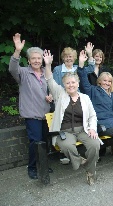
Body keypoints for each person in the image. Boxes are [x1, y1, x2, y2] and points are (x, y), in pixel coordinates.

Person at [44, 50, 100, 185]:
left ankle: (90, 172)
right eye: (68, 83)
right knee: (68, 146)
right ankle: (82, 162)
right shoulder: (59, 94)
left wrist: (92, 129)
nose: (71, 85)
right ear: (64, 85)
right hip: (66, 131)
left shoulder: (85, 98)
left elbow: (92, 116)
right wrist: (47, 65)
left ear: (78, 84)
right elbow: (50, 80)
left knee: (95, 144)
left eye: (73, 82)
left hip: (82, 129)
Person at [8, 33, 53, 179]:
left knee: (45, 141)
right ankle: (32, 167)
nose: (36, 60)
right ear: (28, 60)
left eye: (39, 58)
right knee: (35, 141)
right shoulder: (23, 73)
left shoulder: (46, 74)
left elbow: (51, 88)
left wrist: (50, 96)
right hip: (32, 114)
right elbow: (12, 68)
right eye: (33, 58)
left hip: (46, 113)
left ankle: (44, 164)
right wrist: (17, 51)